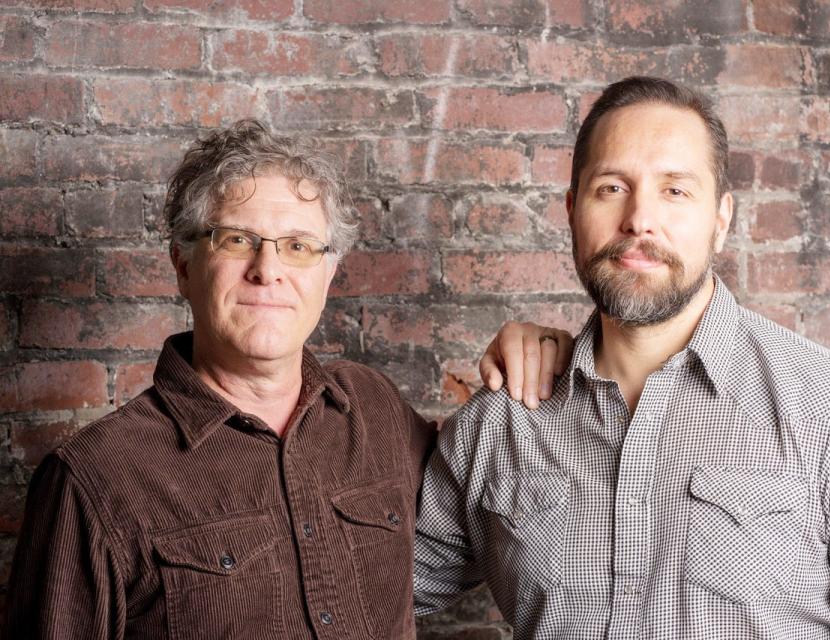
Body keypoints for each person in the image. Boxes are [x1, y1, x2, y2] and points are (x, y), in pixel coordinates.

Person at [413, 76, 830, 639]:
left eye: (675, 190)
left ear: (721, 218)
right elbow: (363, 589)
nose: (639, 220)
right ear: (573, 210)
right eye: (611, 188)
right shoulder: (503, 421)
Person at [4, 120, 569, 639]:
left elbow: (487, 514)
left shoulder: (373, 409)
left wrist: (538, 348)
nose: (267, 270)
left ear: (328, 272)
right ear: (182, 262)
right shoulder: (94, 479)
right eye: (236, 239)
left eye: (298, 247)